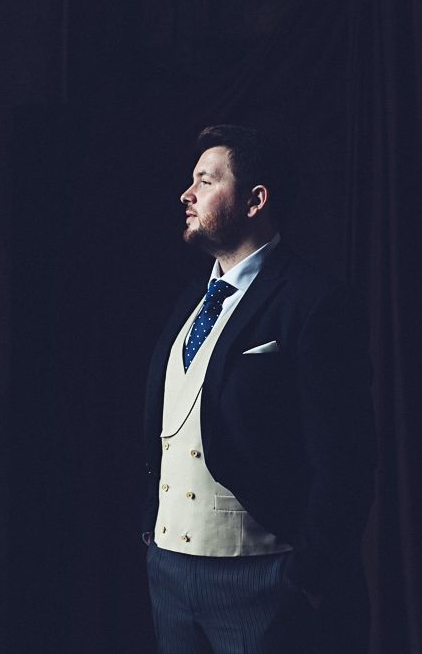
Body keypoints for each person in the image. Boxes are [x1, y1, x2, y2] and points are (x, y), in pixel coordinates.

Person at [141, 124, 376, 653]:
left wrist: (309, 576)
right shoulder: (189, 304)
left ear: (255, 201)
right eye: (191, 181)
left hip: (262, 581)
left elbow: (347, 458)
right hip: (169, 575)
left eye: (206, 180)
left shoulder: (315, 302)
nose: (187, 193)